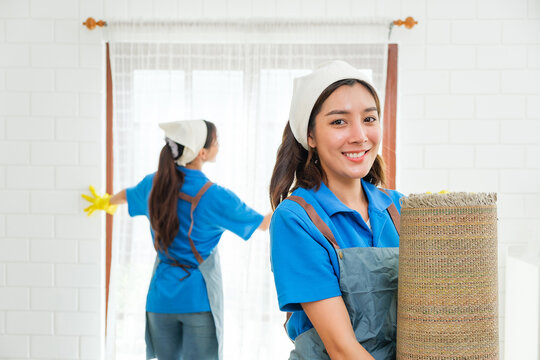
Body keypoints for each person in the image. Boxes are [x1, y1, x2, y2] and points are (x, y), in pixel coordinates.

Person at [82, 119, 271, 360]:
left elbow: (125, 196)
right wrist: (293, 200)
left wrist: (104, 202)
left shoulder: (155, 183)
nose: (219, 145)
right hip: (197, 301)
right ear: (202, 153)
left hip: (160, 300)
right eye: (216, 142)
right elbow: (263, 224)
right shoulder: (215, 196)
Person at [269, 60, 404, 360]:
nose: (359, 135)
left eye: (369, 119)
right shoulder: (297, 220)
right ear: (311, 136)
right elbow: (342, 350)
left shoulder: (399, 208)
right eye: (339, 122)